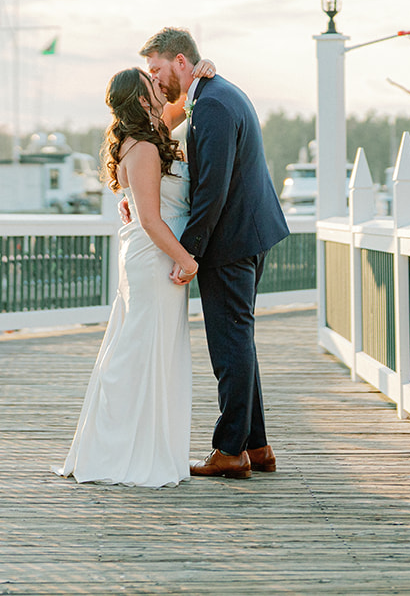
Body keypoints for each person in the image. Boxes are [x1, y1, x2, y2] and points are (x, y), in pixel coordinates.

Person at [141, 27, 288, 479]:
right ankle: (256, 446)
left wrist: (189, 254)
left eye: (158, 69)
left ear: (180, 61)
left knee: (229, 347)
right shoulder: (212, 96)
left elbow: (212, 190)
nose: (156, 78)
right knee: (239, 340)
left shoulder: (216, 106)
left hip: (231, 242)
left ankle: (228, 451)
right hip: (246, 236)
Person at [54, 68, 200, 487]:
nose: (160, 84)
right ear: (139, 99)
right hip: (154, 257)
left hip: (153, 253)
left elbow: (184, 103)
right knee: (137, 351)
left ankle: (144, 445)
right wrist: (186, 260)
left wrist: (203, 69)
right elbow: (153, 220)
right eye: (152, 83)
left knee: (151, 349)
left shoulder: (150, 138)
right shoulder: (143, 148)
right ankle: (118, 450)